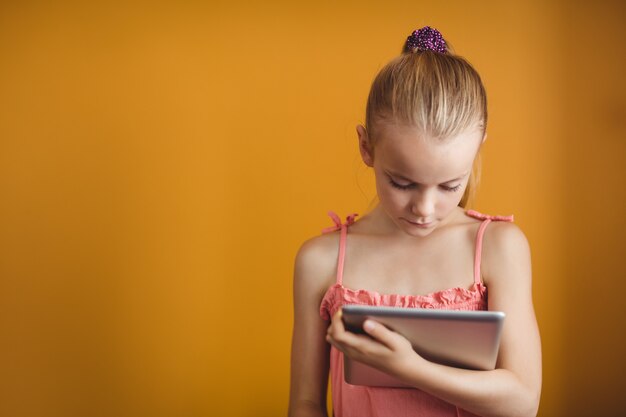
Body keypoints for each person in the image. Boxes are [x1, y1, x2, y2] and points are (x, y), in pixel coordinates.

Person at [288, 26, 542, 417]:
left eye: (449, 185)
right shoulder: (320, 260)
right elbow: (305, 403)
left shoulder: (498, 248)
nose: (424, 208)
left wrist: (409, 368)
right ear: (365, 147)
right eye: (402, 183)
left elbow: (522, 403)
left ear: (477, 151)